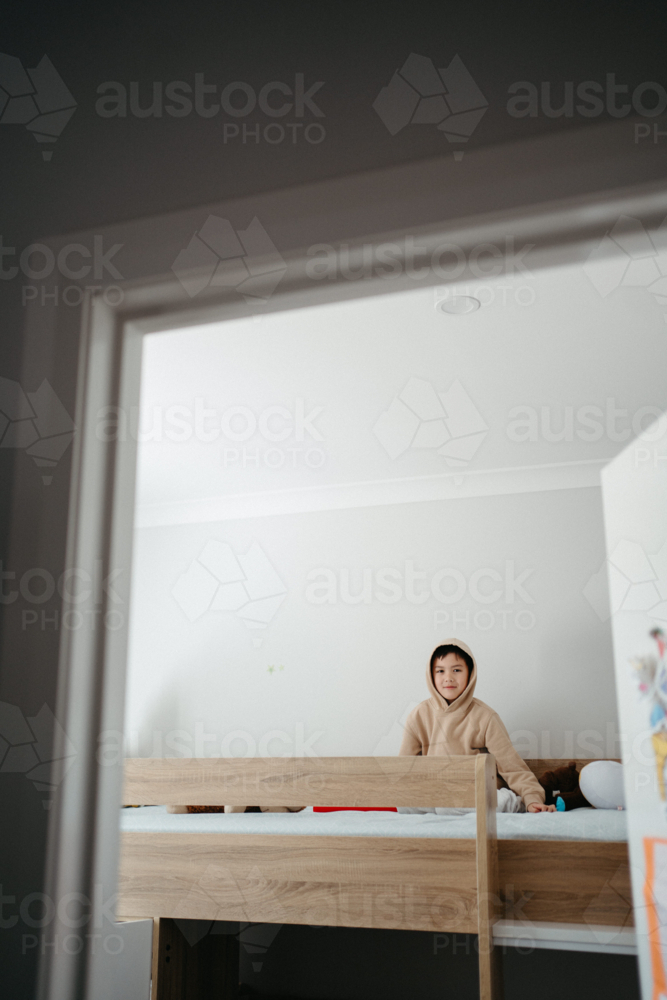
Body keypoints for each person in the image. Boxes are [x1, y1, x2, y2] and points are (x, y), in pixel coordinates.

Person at [399, 639, 555, 813]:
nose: (448, 677)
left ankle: (514, 804)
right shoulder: (418, 715)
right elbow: (405, 769)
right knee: (406, 802)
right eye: (440, 671)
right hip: (439, 794)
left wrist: (532, 799)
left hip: (475, 793)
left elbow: (513, 768)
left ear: (470, 674)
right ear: (431, 675)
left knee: (450, 806)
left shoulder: (485, 717)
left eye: (456, 670)